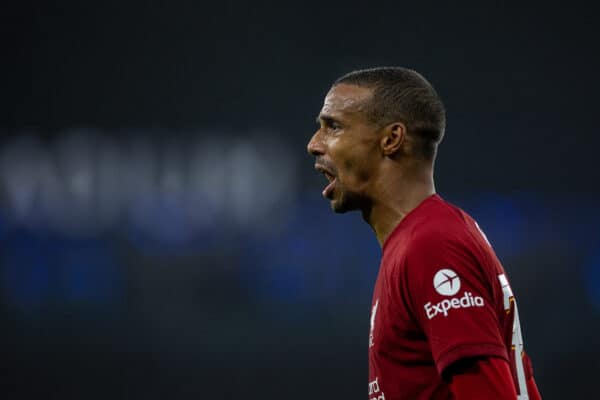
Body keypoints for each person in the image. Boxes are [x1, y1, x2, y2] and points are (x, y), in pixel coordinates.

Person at [307, 67, 541, 399]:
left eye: (333, 126)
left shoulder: (431, 245)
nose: (313, 144)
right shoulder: (419, 240)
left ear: (391, 139)